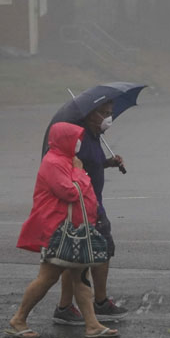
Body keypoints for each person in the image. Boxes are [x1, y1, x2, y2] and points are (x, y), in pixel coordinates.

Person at [7, 122, 118, 338]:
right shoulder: (53, 163)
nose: (79, 142)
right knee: (47, 277)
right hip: (57, 232)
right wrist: (79, 172)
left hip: (75, 231)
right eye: (75, 138)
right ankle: (18, 319)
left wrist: (78, 170)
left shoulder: (68, 160)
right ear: (63, 140)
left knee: (81, 277)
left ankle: (92, 325)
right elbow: (70, 192)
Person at [45, 100, 129, 326]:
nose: (109, 118)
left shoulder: (94, 136)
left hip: (92, 202)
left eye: (111, 113)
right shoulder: (78, 138)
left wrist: (108, 163)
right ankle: (93, 304)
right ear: (92, 115)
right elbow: (70, 167)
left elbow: (94, 163)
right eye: (105, 113)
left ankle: (72, 306)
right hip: (85, 205)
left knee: (80, 256)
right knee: (94, 251)